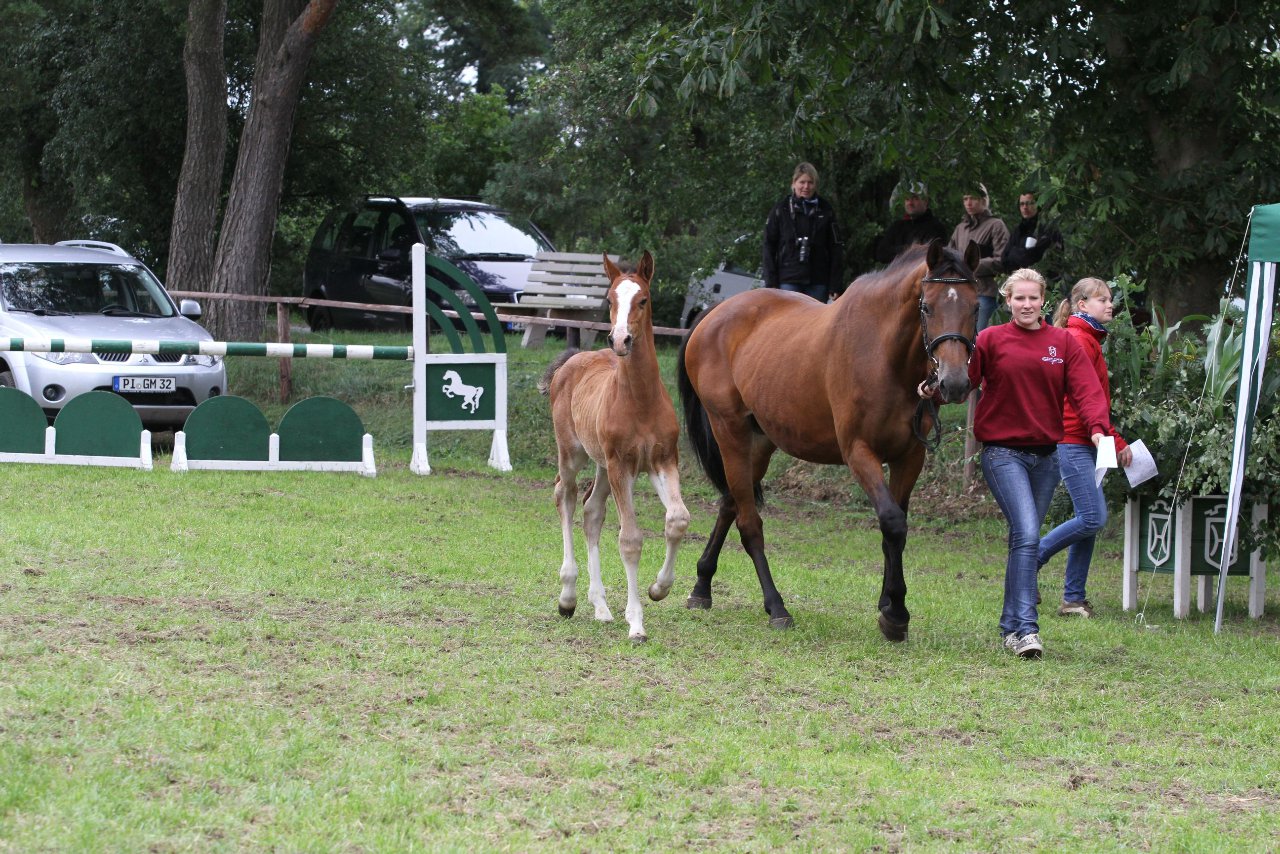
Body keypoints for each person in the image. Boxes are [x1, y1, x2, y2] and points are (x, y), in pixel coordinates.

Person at [920, 268, 1112, 659]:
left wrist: (1098, 430)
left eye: (1033, 298)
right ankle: (1026, 629)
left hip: (1046, 457)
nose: (1026, 304)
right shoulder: (990, 339)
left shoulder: (1063, 343)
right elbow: (961, 385)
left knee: (1022, 541)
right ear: (1008, 301)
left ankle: (1010, 627)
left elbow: (1087, 391)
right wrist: (932, 393)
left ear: (1043, 300)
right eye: (1019, 298)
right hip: (1002, 453)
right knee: (1026, 532)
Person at [1037, 277, 1133, 618]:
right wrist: (1113, 439)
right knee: (1092, 517)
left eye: (1110, 299)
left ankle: (1073, 598)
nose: (1110, 305)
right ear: (1081, 305)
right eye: (1102, 299)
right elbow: (1083, 399)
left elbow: (1097, 400)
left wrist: (1110, 438)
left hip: (1088, 440)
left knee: (1087, 521)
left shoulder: (1089, 338)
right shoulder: (1079, 339)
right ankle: (1031, 558)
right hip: (1073, 440)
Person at [762, 162, 843, 302]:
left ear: (815, 185)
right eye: (802, 182)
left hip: (818, 280)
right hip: (788, 278)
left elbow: (836, 248)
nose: (806, 187)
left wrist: (835, 284)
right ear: (794, 183)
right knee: (788, 321)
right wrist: (771, 282)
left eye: (810, 183)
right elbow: (768, 245)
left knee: (815, 322)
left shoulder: (826, 210)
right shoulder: (781, 209)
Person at [947, 181, 1009, 331]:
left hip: (985, 293)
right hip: (958, 294)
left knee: (981, 338)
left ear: (984, 200)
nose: (968, 202)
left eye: (973, 198)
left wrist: (969, 265)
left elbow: (1002, 260)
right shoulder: (960, 229)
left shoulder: (996, 225)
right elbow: (948, 257)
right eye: (965, 199)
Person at [871, 181, 949, 265]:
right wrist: (908, 248)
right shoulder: (897, 227)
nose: (910, 203)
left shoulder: (936, 227)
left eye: (915, 198)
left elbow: (930, 255)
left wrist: (898, 251)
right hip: (898, 276)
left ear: (925, 201)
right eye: (907, 199)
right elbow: (881, 254)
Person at [1001, 191, 1063, 276]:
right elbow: (1004, 260)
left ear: (1038, 204)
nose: (1025, 207)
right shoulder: (1018, 230)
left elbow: (1034, 260)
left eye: (1030, 203)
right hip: (1018, 281)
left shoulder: (1049, 229)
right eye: (1022, 204)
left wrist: (1014, 253)